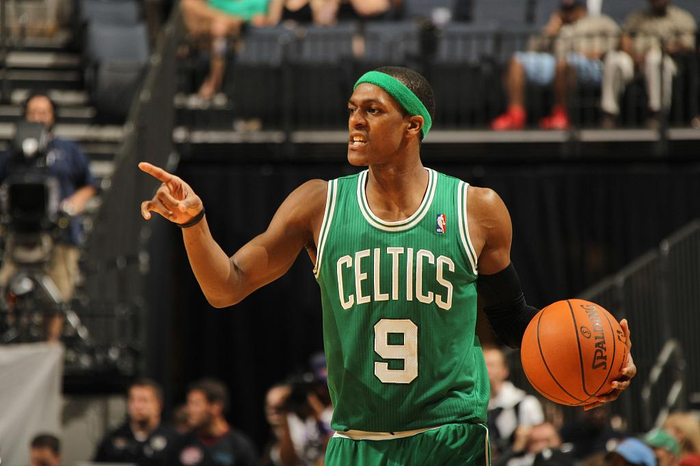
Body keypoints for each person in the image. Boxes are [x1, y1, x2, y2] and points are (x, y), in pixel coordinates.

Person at [140, 66, 636, 465]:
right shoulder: (318, 204)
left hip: (450, 439)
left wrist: (592, 361)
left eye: (373, 110)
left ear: (412, 126)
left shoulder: (476, 209)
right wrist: (194, 223)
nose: (355, 120)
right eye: (352, 109)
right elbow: (226, 287)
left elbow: (511, 321)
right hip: (358, 441)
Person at [0, 92, 98, 304]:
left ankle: (53, 329)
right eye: (33, 112)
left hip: (59, 236)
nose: (38, 118)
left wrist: (73, 204)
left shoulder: (69, 150)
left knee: (56, 299)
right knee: (9, 294)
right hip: (19, 236)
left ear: (53, 115)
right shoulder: (12, 154)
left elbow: (90, 184)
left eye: (43, 112)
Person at [491, 0, 619, 130]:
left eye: (571, 10)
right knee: (517, 60)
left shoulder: (600, 22)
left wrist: (596, 53)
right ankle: (515, 114)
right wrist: (549, 32)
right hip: (557, 59)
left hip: (590, 63)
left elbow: (618, 42)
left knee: (563, 63)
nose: (567, 13)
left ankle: (561, 114)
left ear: (581, 9)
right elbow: (531, 49)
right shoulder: (559, 25)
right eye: (564, 9)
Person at [601, 0, 697, 128]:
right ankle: (609, 114)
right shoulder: (637, 17)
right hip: (636, 61)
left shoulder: (681, 18)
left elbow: (688, 45)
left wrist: (667, 48)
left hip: (668, 61)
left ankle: (657, 113)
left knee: (654, 59)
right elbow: (625, 38)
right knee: (614, 59)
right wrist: (634, 57)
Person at [180, 0, 269, 98]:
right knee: (188, 4)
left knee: (219, 29)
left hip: (238, 30)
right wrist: (225, 18)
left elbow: (260, 20)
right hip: (213, 24)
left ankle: (214, 81)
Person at [169, 378, 258, 466]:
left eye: (195, 404)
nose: (189, 410)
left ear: (215, 407)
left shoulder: (239, 446)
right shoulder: (181, 443)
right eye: (188, 403)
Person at [94, 378, 177, 465]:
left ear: (158, 405)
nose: (138, 406)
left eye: (144, 400)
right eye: (132, 400)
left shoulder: (173, 440)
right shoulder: (113, 439)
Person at [485, 345, 545, 459]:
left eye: (491, 365)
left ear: (505, 370)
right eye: (482, 365)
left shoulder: (526, 403)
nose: (486, 370)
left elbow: (540, 445)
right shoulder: (478, 407)